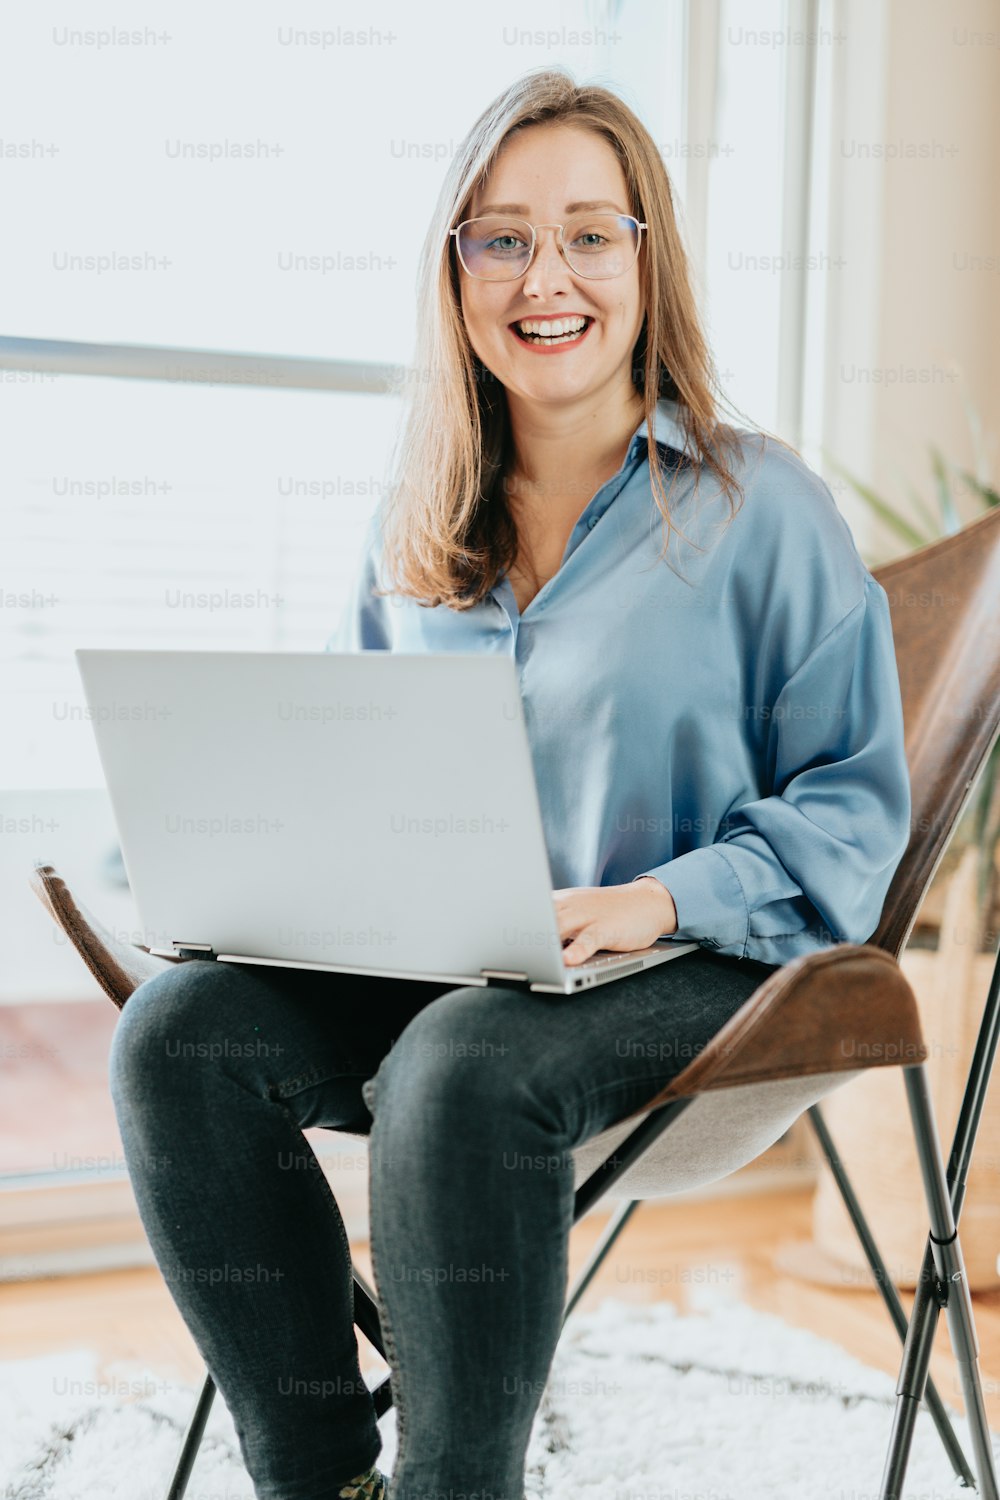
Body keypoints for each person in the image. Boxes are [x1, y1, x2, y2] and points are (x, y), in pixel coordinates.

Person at [109, 68, 912, 1500]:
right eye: (503, 237)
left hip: (704, 966)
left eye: (591, 234)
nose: (549, 277)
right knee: (177, 1033)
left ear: (645, 260)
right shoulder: (408, 527)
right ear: (456, 270)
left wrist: (652, 900)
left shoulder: (753, 505)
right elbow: (358, 781)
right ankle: (317, 1474)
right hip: (460, 971)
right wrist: (260, 888)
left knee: (464, 1060)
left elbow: (854, 805)